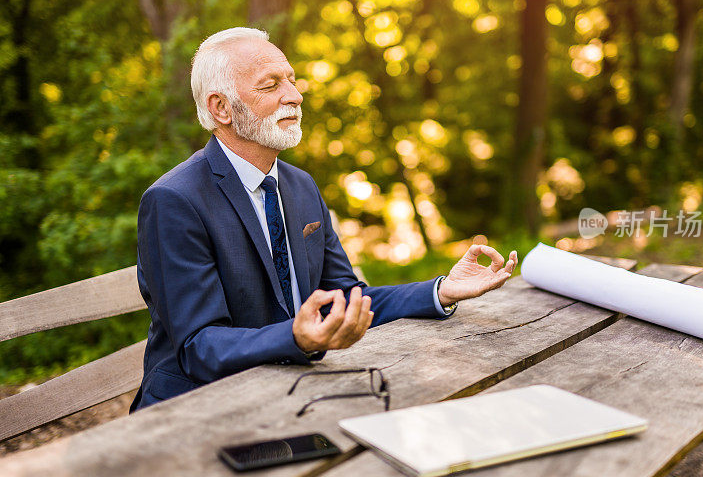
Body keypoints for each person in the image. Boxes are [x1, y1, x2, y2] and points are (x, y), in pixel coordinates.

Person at [130, 27, 518, 412]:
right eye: (271, 86)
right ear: (221, 108)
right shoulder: (174, 201)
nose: (295, 96)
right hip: (194, 409)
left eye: (293, 81)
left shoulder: (300, 186)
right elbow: (199, 346)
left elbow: (347, 299)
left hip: (291, 390)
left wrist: (441, 291)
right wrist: (296, 338)